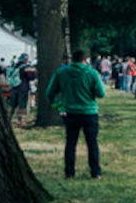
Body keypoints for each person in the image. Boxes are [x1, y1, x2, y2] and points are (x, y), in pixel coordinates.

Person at [44, 49, 107, 179]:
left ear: (72, 59)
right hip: (89, 112)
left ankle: (69, 172)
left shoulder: (61, 73)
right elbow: (101, 93)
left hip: (69, 112)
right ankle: (95, 172)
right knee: (92, 143)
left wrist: (59, 106)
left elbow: (49, 94)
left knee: (71, 143)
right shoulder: (92, 73)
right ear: (85, 60)